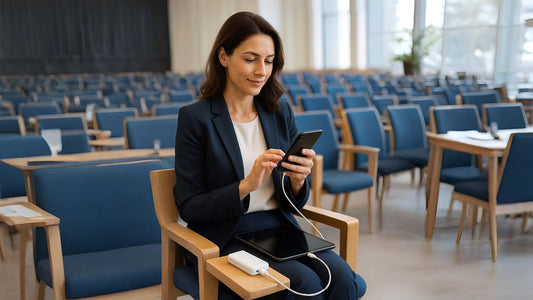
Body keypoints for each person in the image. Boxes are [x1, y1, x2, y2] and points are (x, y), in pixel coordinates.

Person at [174, 11, 366, 299]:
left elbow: (292, 201)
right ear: (223, 57)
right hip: (224, 234)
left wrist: (298, 181)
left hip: (279, 227)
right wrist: (246, 185)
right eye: (250, 59)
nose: (261, 70)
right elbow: (189, 207)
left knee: (343, 280)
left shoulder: (279, 112)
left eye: (269, 61)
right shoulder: (195, 118)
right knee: (306, 286)